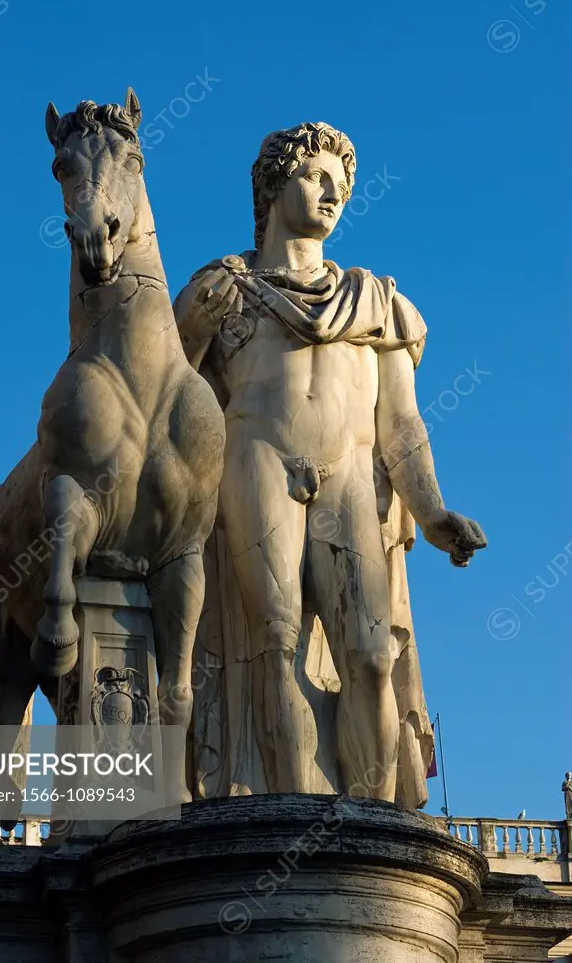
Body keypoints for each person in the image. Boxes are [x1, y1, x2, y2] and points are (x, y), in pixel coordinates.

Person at [174, 122, 486, 805]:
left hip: (348, 477)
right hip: (255, 462)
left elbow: (400, 425)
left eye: (341, 188)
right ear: (273, 183)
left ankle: (373, 820)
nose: (332, 195)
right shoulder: (221, 291)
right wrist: (188, 336)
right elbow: (166, 406)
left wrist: (431, 512)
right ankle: (285, 809)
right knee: (274, 640)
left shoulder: (377, 301)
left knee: (373, 656)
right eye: (316, 178)